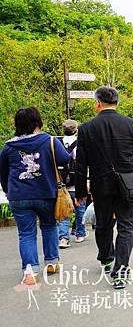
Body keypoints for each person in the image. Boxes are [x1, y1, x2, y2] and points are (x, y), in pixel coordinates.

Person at [74, 86, 133, 290]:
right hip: (127, 185)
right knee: (127, 226)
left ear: (98, 103)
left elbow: (81, 164)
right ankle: (121, 271)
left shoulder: (87, 128)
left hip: (101, 185)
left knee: (103, 224)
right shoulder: (131, 124)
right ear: (117, 102)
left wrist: (80, 192)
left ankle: (107, 259)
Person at [0, 107, 70, 285]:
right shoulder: (49, 140)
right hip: (45, 192)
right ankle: (51, 262)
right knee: (48, 226)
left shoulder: (9, 146)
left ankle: (30, 272)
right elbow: (64, 159)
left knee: (26, 234)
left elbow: (2, 171)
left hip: (19, 196)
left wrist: (7, 189)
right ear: (38, 122)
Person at [58, 119, 88, 248]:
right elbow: (84, 164)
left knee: (65, 211)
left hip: (62, 184)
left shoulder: (57, 143)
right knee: (80, 209)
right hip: (77, 183)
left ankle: (63, 238)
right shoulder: (80, 144)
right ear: (76, 130)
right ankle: (79, 234)